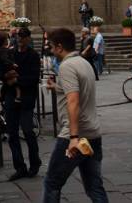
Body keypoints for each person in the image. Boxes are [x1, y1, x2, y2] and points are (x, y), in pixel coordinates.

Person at [43, 27, 107, 203]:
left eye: (51, 46)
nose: (49, 49)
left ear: (59, 47)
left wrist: (73, 137)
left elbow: (73, 101)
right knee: (94, 187)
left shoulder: (67, 66)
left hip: (75, 135)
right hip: (93, 132)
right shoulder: (83, 62)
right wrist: (56, 88)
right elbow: (79, 90)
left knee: (52, 184)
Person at [2, 28, 42, 181]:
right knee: (12, 134)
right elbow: (1, 70)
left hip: (26, 99)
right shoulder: (11, 54)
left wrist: (17, 81)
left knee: (27, 131)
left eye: (23, 36)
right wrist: (5, 77)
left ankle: (34, 163)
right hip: (11, 98)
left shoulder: (33, 55)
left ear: (28, 38)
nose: (20, 39)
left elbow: (33, 77)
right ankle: (19, 167)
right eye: (18, 36)